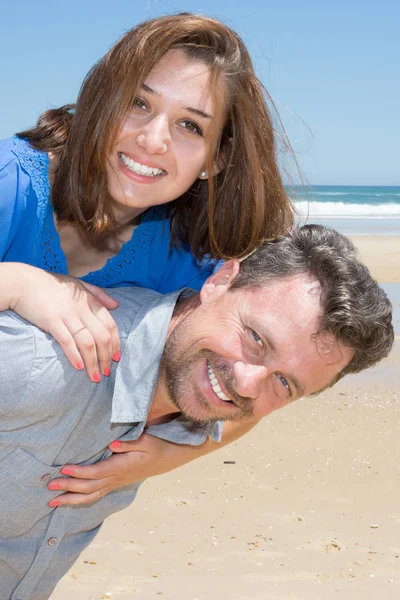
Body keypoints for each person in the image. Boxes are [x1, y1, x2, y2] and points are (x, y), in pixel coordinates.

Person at [0, 225, 394, 599]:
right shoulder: (47, 364)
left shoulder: (183, 410)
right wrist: (17, 283)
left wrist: (171, 455)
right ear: (220, 281)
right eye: (256, 338)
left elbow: (244, 417)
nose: (246, 383)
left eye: (285, 383)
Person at [0, 12, 294, 501]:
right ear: (101, 99)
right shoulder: (11, 181)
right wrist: (16, 283)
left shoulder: (194, 263)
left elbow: (254, 389)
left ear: (215, 161)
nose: (152, 140)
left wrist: (169, 455)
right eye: (138, 103)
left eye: (189, 126)